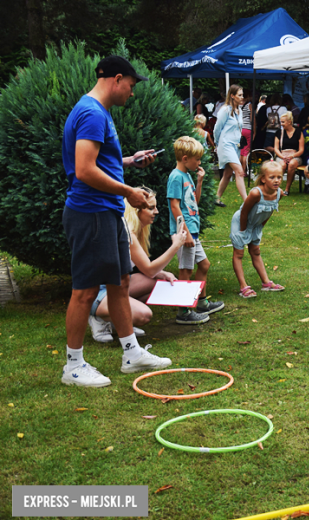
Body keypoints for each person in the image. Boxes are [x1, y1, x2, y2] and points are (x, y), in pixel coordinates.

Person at [61, 55, 172, 387]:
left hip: (104, 211)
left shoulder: (96, 111)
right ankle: (73, 365)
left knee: (120, 284)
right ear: (117, 78)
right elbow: (83, 170)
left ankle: (132, 353)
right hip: (91, 212)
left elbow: (98, 161)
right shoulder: (93, 113)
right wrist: (128, 192)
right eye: (132, 86)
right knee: (85, 291)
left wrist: (128, 162)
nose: (132, 93)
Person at [89, 187, 188, 341]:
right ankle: (100, 318)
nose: (156, 212)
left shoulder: (134, 231)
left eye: (155, 207)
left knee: (157, 283)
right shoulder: (127, 232)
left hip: (115, 286)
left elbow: (144, 268)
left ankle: (118, 319)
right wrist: (175, 246)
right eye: (151, 208)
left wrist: (162, 273)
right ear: (136, 211)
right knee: (144, 315)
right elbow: (148, 270)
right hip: (97, 292)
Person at [167, 136, 225, 324]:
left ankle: (201, 302)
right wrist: (185, 232)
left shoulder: (187, 176)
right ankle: (183, 312)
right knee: (186, 270)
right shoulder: (176, 177)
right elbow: (174, 206)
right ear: (185, 159)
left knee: (204, 265)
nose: (199, 163)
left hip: (192, 230)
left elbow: (194, 203)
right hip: (185, 232)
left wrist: (199, 182)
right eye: (197, 159)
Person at [230, 161, 285, 298]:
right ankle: (243, 286)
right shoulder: (256, 193)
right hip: (241, 223)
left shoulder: (279, 194)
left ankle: (266, 283)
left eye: (279, 177)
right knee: (239, 253)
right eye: (272, 177)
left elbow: (270, 210)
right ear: (263, 178)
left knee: (255, 251)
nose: (276, 180)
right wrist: (243, 230)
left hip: (256, 225)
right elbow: (244, 212)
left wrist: (261, 226)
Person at [214, 84, 248, 205]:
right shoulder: (225, 110)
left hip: (236, 145)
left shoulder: (239, 110)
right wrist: (217, 144)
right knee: (239, 171)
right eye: (239, 95)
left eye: (242, 95)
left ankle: (216, 198)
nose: (242, 97)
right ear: (232, 96)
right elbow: (217, 129)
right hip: (225, 144)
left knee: (228, 174)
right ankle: (247, 201)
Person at [275, 112, 305, 196]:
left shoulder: (299, 132)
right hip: (282, 155)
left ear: (289, 122)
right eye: (281, 122)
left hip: (295, 155)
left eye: (283, 122)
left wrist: (292, 156)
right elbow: (276, 149)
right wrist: (282, 156)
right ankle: (277, 188)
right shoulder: (279, 132)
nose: (281, 124)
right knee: (282, 165)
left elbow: (301, 150)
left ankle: (287, 189)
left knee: (292, 164)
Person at [240, 92, 254, 171]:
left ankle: (238, 170)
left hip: (240, 129)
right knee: (246, 151)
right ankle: (244, 170)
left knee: (241, 150)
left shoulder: (238, 105)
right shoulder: (249, 105)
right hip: (248, 129)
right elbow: (252, 118)